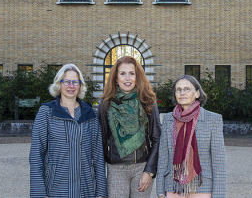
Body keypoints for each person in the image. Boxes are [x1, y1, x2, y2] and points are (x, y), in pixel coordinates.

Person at [29, 64, 107, 198]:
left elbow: (98, 157)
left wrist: (101, 193)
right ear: (59, 84)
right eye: (66, 81)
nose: (71, 86)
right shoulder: (47, 113)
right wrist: (40, 194)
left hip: (85, 190)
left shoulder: (90, 115)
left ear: (80, 85)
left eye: (75, 82)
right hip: (55, 190)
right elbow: (36, 155)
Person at [98, 56, 161, 198]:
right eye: (122, 73)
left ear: (137, 77)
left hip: (142, 167)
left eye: (132, 73)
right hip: (115, 169)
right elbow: (100, 142)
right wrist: (100, 180)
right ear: (115, 78)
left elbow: (157, 139)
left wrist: (149, 171)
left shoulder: (148, 102)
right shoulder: (105, 105)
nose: (127, 78)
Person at [157, 75, 226, 198]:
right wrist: (160, 190)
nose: (182, 93)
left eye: (187, 89)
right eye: (178, 90)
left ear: (197, 93)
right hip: (173, 185)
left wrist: (219, 195)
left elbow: (218, 161)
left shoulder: (213, 119)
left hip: (202, 185)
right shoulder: (168, 119)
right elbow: (163, 156)